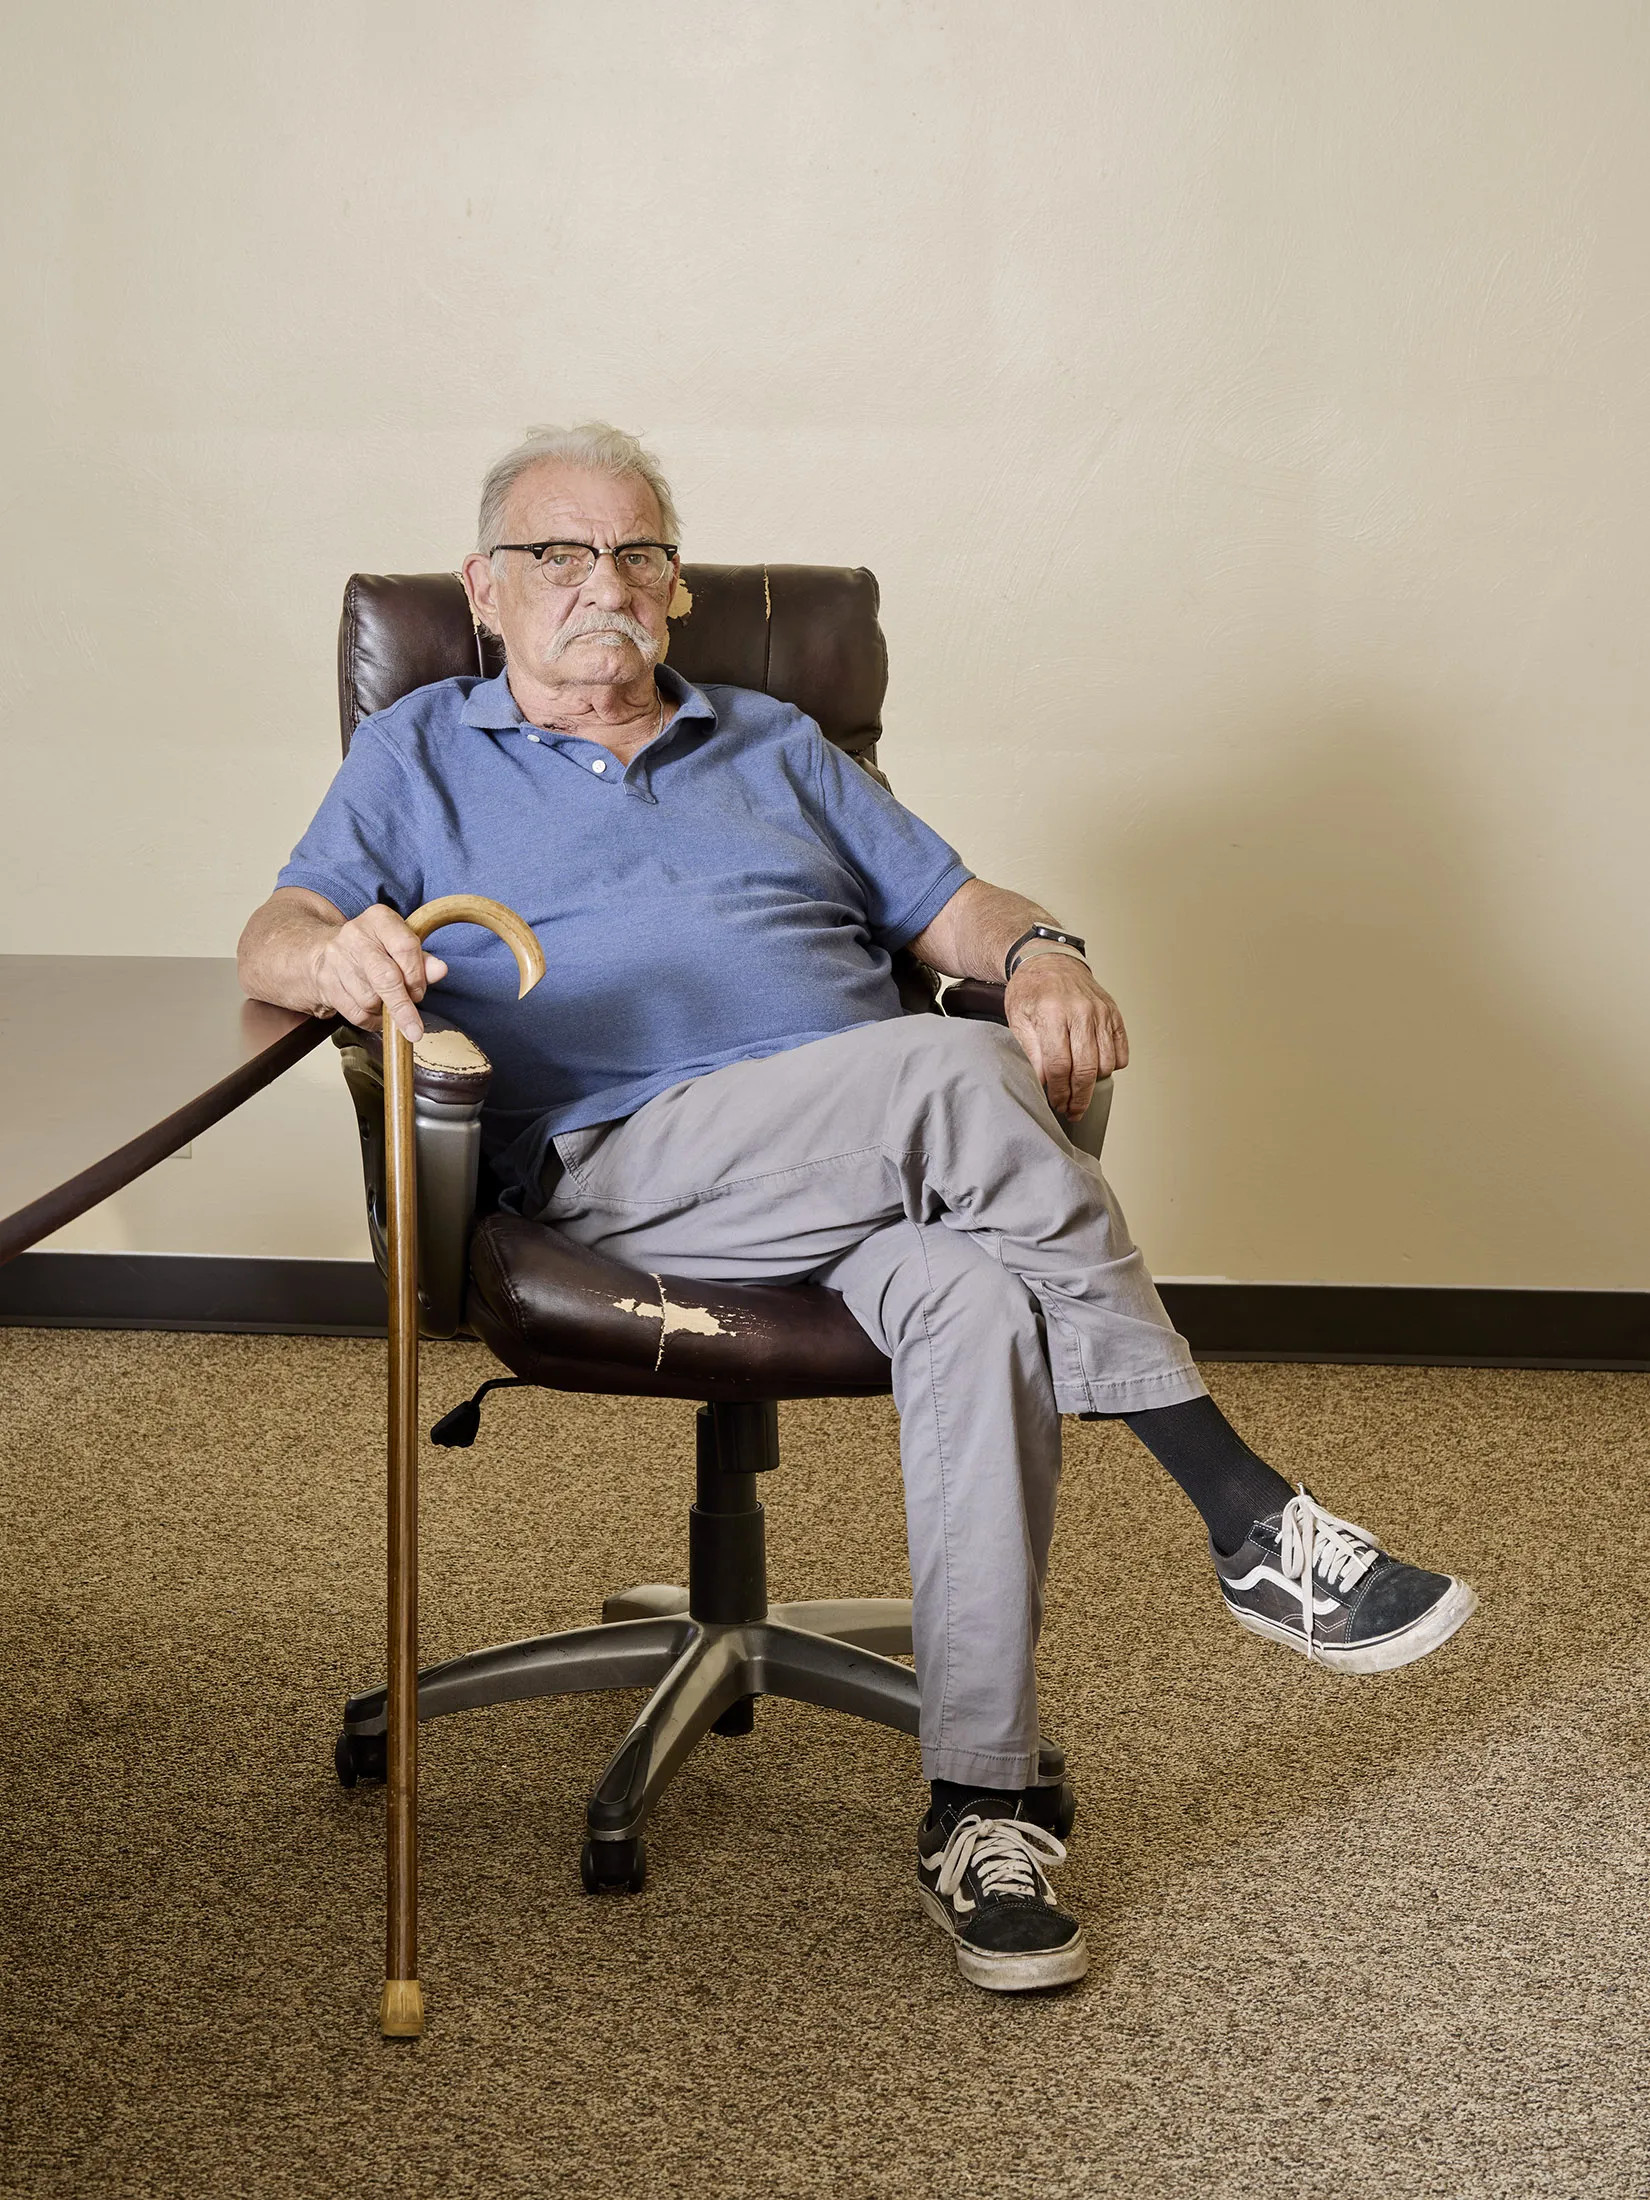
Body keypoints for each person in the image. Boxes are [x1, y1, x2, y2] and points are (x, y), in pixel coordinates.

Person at [239, 422, 1475, 1995]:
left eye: (636, 554)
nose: (599, 585)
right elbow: (272, 928)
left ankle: (980, 1807)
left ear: (675, 588)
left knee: (970, 1293)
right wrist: (330, 956)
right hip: (621, 1170)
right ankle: (1241, 1514)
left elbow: (962, 908)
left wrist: (1039, 955)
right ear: (484, 590)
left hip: (866, 1157)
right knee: (953, 1078)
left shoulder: (772, 741)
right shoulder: (418, 749)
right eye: (557, 554)